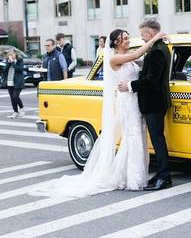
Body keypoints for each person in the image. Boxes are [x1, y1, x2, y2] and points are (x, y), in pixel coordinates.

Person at [29, 29, 167, 198]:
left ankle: (138, 175)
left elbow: (143, 61)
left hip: (135, 101)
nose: (128, 40)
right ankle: (133, 178)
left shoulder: (128, 54)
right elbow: (138, 53)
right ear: (116, 42)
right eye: (125, 38)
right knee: (132, 137)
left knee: (139, 137)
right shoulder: (114, 58)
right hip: (126, 102)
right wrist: (155, 38)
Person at [119, 20, 172, 191]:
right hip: (156, 101)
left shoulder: (157, 51)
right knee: (157, 139)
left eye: (143, 34)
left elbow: (151, 80)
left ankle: (164, 177)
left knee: (158, 140)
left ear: (150, 33)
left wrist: (130, 86)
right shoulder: (160, 48)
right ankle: (161, 174)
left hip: (153, 102)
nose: (141, 37)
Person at [2, 48, 25, 119]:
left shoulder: (20, 60)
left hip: (18, 82)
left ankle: (22, 108)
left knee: (15, 96)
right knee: (12, 98)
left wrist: (12, 62)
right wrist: (9, 63)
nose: (10, 56)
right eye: (9, 54)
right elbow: (4, 70)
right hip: (9, 81)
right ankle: (15, 112)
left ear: (15, 54)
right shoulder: (8, 61)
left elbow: (19, 69)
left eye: (11, 54)